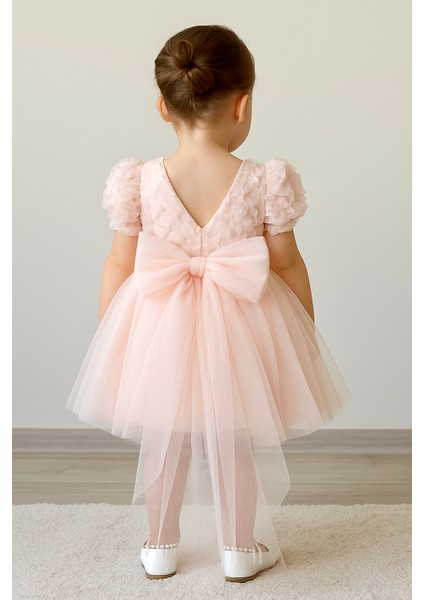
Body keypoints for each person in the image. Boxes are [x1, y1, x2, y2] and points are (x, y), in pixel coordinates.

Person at [66, 24, 352, 583]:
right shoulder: (264, 180)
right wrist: (304, 335)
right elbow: (287, 264)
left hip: (159, 327)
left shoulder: (138, 180)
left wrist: (113, 338)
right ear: (242, 105)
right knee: (235, 437)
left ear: (163, 106)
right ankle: (239, 548)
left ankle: (159, 546)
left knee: (164, 435)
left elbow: (120, 264)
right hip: (243, 327)